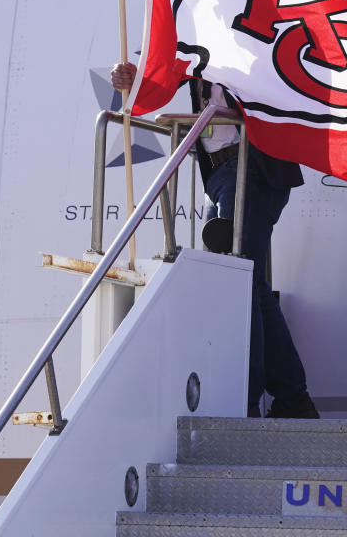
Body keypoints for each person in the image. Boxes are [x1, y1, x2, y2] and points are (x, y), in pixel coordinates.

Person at [111, 64, 319, 419]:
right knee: (248, 283)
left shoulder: (242, 35)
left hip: (251, 166)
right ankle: (291, 397)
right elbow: (168, 73)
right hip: (222, 173)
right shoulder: (199, 45)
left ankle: (247, 401)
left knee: (237, 284)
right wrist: (136, 79)